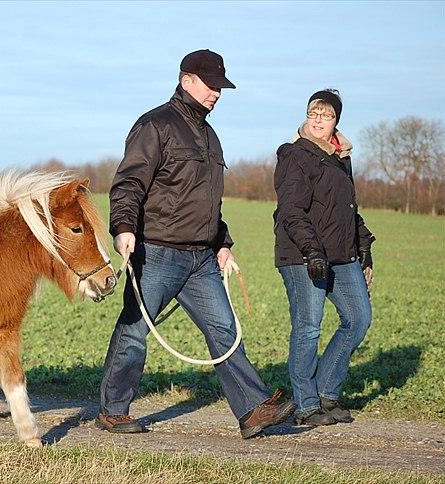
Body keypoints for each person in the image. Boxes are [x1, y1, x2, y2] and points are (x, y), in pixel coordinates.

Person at [96, 49, 296, 439]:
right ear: (186, 79)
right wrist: (123, 227)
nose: (216, 94)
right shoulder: (154, 125)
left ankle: (253, 410)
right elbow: (129, 183)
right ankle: (113, 410)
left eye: (220, 87)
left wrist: (222, 241)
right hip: (156, 252)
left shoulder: (209, 135)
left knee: (225, 332)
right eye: (210, 85)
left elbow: (206, 200)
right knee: (135, 331)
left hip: (201, 258)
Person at [273, 89, 375, 426]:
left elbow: (348, 211)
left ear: (336, 121)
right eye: (313, 113)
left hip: (340, 255)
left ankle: (327, 393)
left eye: (326, 115)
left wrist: (365, 248)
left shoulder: (340, 157)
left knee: (358, 318)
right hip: (303, 255)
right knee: (307, 327)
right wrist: (312, 250)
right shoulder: (294, 156)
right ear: (306, 116)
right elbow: (291, 211)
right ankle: (306, 406)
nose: (318, 120)